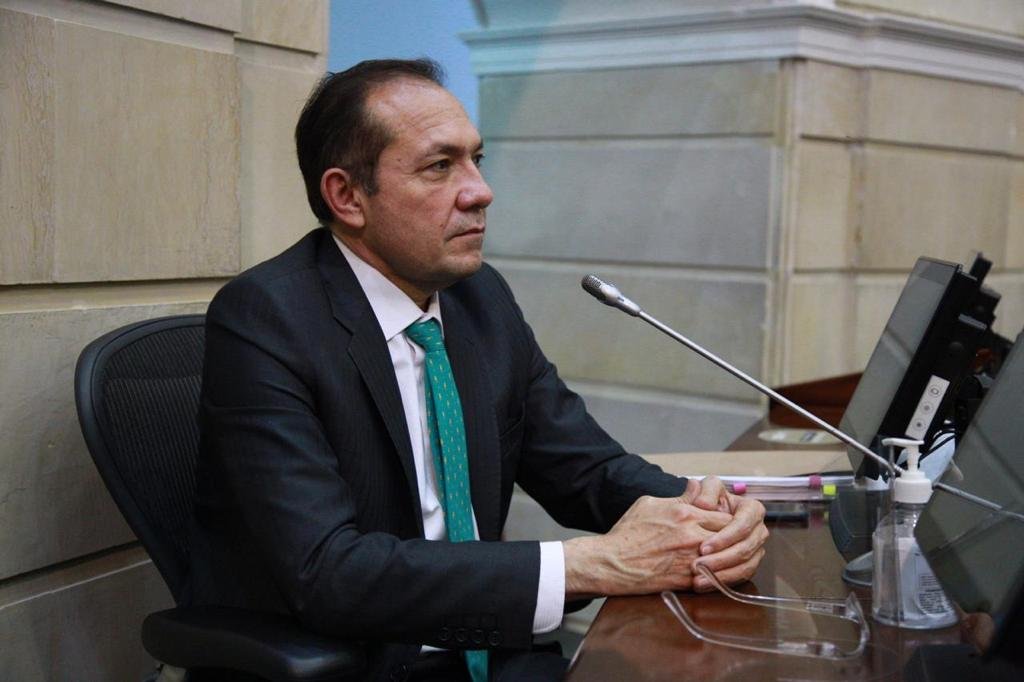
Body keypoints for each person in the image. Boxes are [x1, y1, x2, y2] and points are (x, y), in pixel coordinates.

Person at [189, 58, 767, 682]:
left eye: (476, 160)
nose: (480, 191)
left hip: (493, 649)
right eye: (440, 166)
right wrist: (591, 564)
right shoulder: (266, 320)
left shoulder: (478, 297)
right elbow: (328, 571)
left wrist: (704, 514)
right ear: (348, 197)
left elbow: (585, 468)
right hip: (365, 665)